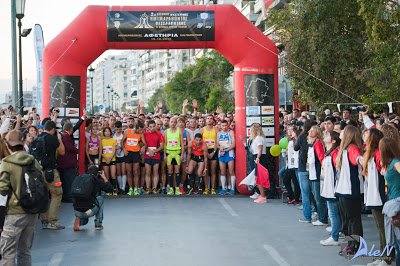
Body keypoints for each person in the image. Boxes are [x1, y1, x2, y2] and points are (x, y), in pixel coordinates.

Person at [0, 130, 44, 264]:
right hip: (32, 211)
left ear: (8, 145)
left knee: (8, 251)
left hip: (15, 211)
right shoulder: (32, 160)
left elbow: (3, 190)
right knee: (25, 251)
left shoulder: (7, 163)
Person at [362, 129, 394, 265]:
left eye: (366, 135)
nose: (364, 136)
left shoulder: (377, 154)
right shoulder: (370, 154)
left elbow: (384, 172)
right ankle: (383, 255)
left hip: (379, 195)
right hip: (373, 195)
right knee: (380, 227)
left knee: (383, 228)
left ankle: (386, 257)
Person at [335, 125, 364, 255]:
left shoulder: (352, 148)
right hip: (344, 189)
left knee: (352, 219)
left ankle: (355, 246)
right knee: (347, 219)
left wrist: (364, 160)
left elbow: (359, 159)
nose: (340, 132)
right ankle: (352, 245)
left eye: (343, 131)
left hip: (351, 190)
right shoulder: (344, 149)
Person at [38, 120, 66, 230]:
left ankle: (44, 220)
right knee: (57, 194)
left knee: (44, 194)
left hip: (39, 171)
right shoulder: (52, 138)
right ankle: (52, 221)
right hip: (51, 171)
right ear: (53, 129)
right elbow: (62, 152)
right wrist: (59, 139)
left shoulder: (37, 138)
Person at [73, 166, 113, 231]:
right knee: (100, 199)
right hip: (89, 211)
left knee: (85, 220)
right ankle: (98, 224)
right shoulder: (94, 180)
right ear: (97, 174)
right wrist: (104, 177)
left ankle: (80, 221)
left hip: (76, 211)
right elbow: (110, 189)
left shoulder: (79, 178)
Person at [379, 137, 400, 265]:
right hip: (393, 201)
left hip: (397, 201)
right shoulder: (390, 162)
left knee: (398, 241)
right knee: (396, 242)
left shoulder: (396, 162)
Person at [320, 131, 341, 246]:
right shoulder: (329, 151)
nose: (325, 136)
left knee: (333, 213)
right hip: (327, 186)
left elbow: (338, 170)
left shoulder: (335, 153)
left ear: (333, 141)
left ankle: (335, 237)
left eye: (328, 135)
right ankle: (334, 235)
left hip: (332, 187)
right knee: (332, 213)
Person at [307, 125, 329, 226]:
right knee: (316, 196)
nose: (311, 132)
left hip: (317, 173)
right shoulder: (312, 143)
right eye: (310, 130)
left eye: (313, 130)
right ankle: (321, 216)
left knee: (319, 198)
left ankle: (323, 218)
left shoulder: (318, 143)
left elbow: (321, 158)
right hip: (312, 172)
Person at [57, 122, 79, 203]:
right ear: (71, 129)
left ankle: (65, 196)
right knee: (69, 181)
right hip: (68, 163)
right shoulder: (66, 136)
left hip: (62, 163)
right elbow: (70, 148)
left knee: (64, 181)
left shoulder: (62, 135)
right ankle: (68, 197)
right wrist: (76, 149)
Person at [164, 117, 184, 195]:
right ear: (169, 123)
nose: (173, 123)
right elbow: (165, 144)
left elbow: (182, 144)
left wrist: (182, 154)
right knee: (170, 170)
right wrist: (165, 155)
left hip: (177, 153)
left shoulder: (180, 131)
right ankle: (171, 188)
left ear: (176, 123)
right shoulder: (166, 132)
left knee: (177, 170)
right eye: (171, 122)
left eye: (174, 122)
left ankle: (177, 188)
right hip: (169, 153)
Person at [200, 115, 219, 194]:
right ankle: (206, 188)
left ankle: (213, 188)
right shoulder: (202, 130)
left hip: (213, 151)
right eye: (208, 118)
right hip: (205, 151)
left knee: (213, 171)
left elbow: (217, 142)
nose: (209, 120)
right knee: (206, 170)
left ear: (213, 121)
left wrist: (213, 152)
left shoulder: (216, 130)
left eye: (211, 119)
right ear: (205, 120)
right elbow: (200, 142)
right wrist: (206, 152)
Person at [143, 120, 164, 194]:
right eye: (150, 127)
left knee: (155, 172)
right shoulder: (144, 134)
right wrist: (148, 150)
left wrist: (154, 152)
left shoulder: (159, 134)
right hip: (147, 155)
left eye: (153, 126)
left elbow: (162, 146)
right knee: (148, 172)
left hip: (156, 155)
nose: (152, 128)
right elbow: (143, 145)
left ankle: (155, 188)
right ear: (148, 127)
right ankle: (148, 188)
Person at [216, 120, 236, 195]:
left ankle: (232, 188)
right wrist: (220, 148)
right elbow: (217, 144)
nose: (224, 127)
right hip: (221, 153)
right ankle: (223, 188)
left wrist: (226, 150)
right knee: (223, 171)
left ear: (228, 125)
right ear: (220, 126)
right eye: (223, 125)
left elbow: (233, 144)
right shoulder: (218, 133)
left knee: (231, 171)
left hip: (229, 153)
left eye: (225, 125)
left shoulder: (230, 132)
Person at [283, 125, 301, 204]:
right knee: (286, 180)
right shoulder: (288, 139)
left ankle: (296, 198)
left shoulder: (296, 140)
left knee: (295, 181)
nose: (289, 131)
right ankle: (292, 196)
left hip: (293, 164)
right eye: (288, 129)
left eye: (291, 130)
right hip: (289, 164)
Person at [100, 127, 118, 196]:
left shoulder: (113, 140)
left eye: (108, 131)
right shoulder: (102, 141)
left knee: (113, 175)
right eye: (105, 131)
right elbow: (101, 151)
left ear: (110, 132)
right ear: (104, 133)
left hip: (112, 159)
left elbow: (114, 151)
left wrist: (110, 158)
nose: (107, 133)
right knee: (107, 176)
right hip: (105, 160)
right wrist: (106, 158)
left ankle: (114, 189)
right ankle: (108, 190)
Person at [113, 121, 127, 194]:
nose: (118, 131)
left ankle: (123, 188)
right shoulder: (113, 135)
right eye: (117, 129)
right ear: (115, 128)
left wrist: (120, 148)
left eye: (119, 129)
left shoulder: (124, 134)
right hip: (116, 155)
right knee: (118, 172)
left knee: (123, 171)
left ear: (121, 128)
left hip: (123, 155)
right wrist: (116, 148)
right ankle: (120, 188)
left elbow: (125, 143)